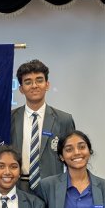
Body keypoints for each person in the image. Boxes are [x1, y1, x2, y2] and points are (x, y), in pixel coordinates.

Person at [11, 59, 76, 193]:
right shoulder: (9, 118)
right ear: (21, 89)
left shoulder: (64, 119)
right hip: (17, 188)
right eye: (28, 82)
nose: (34, 85)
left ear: (47, 84)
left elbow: (73, 158)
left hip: (52, 189)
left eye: (39, 80)